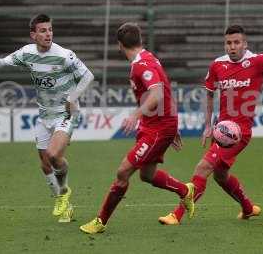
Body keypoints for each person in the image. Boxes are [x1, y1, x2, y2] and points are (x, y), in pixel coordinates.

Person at [158, 24, 263, 225]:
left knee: (202, 168)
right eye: (228, 43)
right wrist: (208, 125)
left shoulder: (258, 61)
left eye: (237, 42)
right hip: (222, 131)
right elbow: (209, 95)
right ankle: (248, 208)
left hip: (240, 132)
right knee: (220, 176)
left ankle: (177, 215)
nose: (232, 46)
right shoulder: (217, 65)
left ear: (245, 44)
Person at [0, 14, 94, 223]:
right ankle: (63, 202)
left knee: (53, 155)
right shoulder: (27, 53)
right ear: (33, 35)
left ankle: (64, 193)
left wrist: (72, 97)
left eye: (50, 30)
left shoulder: (65, 55)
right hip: (44, 115)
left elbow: (88, 76)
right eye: (43, 31)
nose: (48, 34)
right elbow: (2, 63)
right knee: (45, 164)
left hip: (65, 113)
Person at [79, 22, 195, 234]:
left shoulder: (143, 64)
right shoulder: (148, 59)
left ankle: (100, 221)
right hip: (158, 124)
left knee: (123, 171)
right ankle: (184, 190)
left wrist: (136, 115)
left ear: (119, 45)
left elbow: (158, 94)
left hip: (157, 127)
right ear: (140, 39)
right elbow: (167, 89)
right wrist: (172, 122)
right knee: (147, 175)